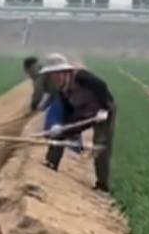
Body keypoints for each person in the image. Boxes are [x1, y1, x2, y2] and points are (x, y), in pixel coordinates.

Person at [38, 61, 116, 190]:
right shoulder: (61, 89)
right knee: (60, 134)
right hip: (83, 112)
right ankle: (51, 163)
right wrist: (61, 126)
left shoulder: (81, 76)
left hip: (102, 112)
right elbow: (67, 109)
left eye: (55, 74)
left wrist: (105, 108)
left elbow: (101, 86)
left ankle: (102, 184)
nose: (53, 78)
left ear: (62, 73)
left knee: (101, 145)